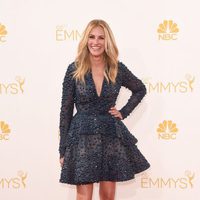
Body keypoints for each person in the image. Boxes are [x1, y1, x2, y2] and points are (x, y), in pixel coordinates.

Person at [58, 19, 150, 200]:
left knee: (108, 196)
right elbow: (65, 110)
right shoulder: (74, 70)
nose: (96, 42)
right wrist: (63, 149)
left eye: (101, 38)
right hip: (82, 137)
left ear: (107, 41)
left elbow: (140, 89)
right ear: (86, 40)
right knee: (84, 197)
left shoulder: (117, 68)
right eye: (92, 37)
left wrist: (124, 112)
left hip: (110, 136)